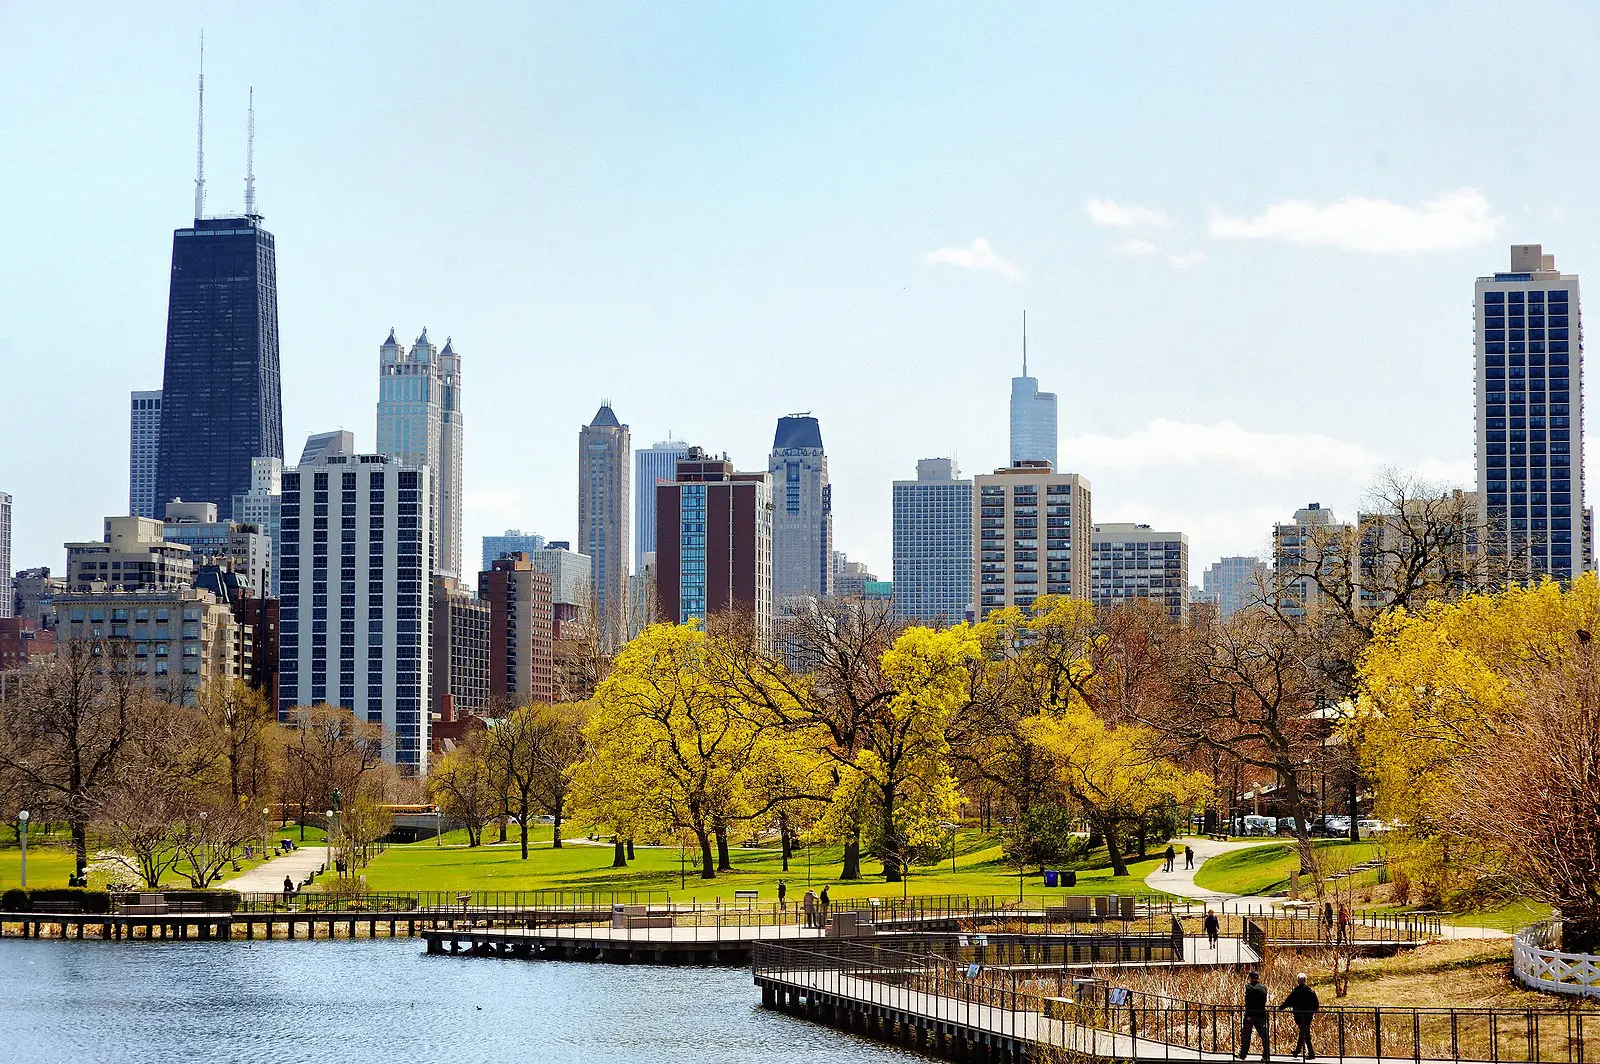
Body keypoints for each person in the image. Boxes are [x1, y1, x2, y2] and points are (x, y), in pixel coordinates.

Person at [1280, 972, 1320, 1059]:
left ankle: (1310, 1053)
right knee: (1304, 1032)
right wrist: (1312, 1011)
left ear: (1298, 981)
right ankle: (1298, 1051)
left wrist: (1281, 1008)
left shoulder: (1295, 991)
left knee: (1305, 1033)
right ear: (1305, 980)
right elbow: (1316, 1005)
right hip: (1308, 1015)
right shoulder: (1311, 991)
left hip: (1298, 1015)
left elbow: (1288, 1002)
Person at [1239, 971, 1269, 1061]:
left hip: (1250, 1015)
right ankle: (1266, 1055)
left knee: (1246, 1035)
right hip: (1261, 1014)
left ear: (1250, 977)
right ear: (1258, 977)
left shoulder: (1249, 987)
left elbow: (1248, 1002)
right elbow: (1264, 1000)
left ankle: (1243, 1054)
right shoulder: (1263, 987)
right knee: (1264, 1036)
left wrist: (1248, 1014)